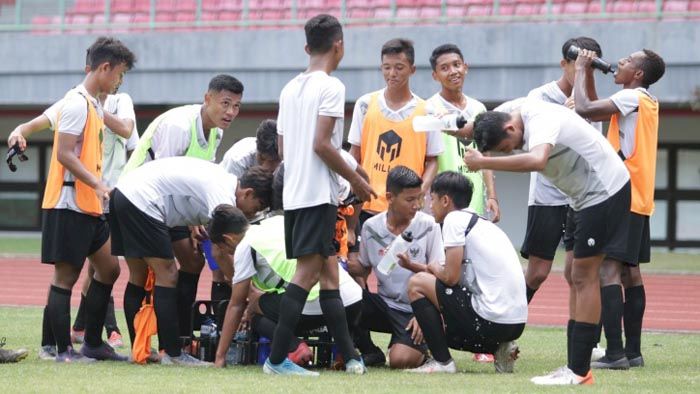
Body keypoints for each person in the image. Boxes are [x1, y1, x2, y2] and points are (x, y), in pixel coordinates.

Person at [466, 99, 631, 385]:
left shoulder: (540, 119)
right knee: (573, 274)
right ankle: (574, 366)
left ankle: (579, 371)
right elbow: (475, 124)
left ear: (510, 127)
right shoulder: (508, 114)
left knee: (584, 275)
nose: (514, 151)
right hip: (581, 198)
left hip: (604, 191)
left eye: (508, 147)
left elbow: (537, 160)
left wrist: (484, 162)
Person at [7, 40, 138, 357]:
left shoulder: (92, 104)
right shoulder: (78, 102)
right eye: (119, 75)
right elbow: (64, 154)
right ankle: (58, 348)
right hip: (69, 203)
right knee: (65, 277)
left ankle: (92, 344)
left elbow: (37, 122)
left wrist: (20, 130)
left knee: (109, 269)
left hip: (90, 206)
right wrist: (98, 182)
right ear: (104, 68)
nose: (120, 83)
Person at [266, 14, 375, 376]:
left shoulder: (288, 88)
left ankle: (352, 359)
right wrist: (357, 182)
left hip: (295, 194)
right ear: (339, 45)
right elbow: (322, 145)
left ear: (307, 47)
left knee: (329, 274)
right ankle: (277, 359)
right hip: (317, 196)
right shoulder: (332, 87)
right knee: (307, 274)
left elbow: (284, 149)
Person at [110, 156, 272, 366]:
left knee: (183, 264)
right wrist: (246, 292)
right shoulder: (224, 196)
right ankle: (173, 354)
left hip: (129, 194)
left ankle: (147, 348)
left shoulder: (225, 183)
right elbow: (220, 252)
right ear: (248, 193)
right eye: (257, 206)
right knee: (167, 274)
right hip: (142, 200)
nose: (253, 213)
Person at [122, 74, 244, 341]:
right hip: (142, 201)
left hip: (170, 206)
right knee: (147, 273)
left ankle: (182, 336)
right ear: (207, 98)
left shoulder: (217, 132)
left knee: (193, 260)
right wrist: (190, 223)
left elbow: (194, 176)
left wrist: (195, 222)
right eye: (225, 103)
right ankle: (144, 344)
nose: (230, 112)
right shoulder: (179, 125)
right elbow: (162, 175)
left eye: (236, 106)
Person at [573, 48, 666, 370]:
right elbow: (594, 110)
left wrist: (582, 66)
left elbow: (584, 108)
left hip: (621, 194)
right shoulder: (645, 101)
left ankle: (615, 353)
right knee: (630, 273)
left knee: (607, 270)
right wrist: (586, 74)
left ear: (638, 74)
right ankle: (634, 351)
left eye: (626, 61)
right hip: (639, 196)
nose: (619, 62)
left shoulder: (632, 98)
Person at [406, 171, 527, 374]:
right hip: (514, 325)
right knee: (444, 318)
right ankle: (500, 349)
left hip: (490, 320)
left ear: (445, 200)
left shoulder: (454, 220)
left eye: (432, 199)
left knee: (417, 284)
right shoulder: (479, 222)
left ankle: (443, 363)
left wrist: (435, 267)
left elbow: (450, 278)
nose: (429, 206)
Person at [213, 214, 363, 369]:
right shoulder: (277, 221)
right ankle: (349, 355)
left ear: (228, 238)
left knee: (255, 310)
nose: (227, 253)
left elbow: (236, 305)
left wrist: (220, 357)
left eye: (223, 248)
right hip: (353, 299)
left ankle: (294, 347)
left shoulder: (245, 245)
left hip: (317, 301)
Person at [349, 166, 445, 369]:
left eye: (419, 198)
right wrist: (338, 261)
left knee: (400, 361)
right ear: (390, 197)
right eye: (410, 200)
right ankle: (369, 350)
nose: (417, 205)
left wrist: (426, 315)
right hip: (384, 305)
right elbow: (363, 269)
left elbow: (440, 275)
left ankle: (419, 348)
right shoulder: (370, 227)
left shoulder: (430, 225)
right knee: (343, 298)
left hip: (415, 310)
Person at [348, 38, 443, 220]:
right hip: (368, 206)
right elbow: (354, 153)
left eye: (399, 67)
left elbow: (432, 160)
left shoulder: (427, 111)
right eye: (386, 67)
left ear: (412, 69)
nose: (392, 73)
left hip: (407, 210)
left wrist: (420, 192)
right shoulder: (365, 104)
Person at [427, 44, 499, 222]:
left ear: (465, 67)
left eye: (456, 65)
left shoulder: (478, 108)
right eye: (444, 68)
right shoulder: (429, 109)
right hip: (443, 204)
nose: (452, 71)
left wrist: (492, 196)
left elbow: (485, 156)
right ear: (435, 75)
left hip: (475, 203)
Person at [212, 119, 281, 301]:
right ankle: (223, 311)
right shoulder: (238, 159)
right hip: (231, 207)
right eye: (266, 160)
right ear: (258, 153)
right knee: (223, 260)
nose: (271, 167)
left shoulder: (286, 158)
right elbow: (225, 209)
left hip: (262, 211)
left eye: (276, 161)